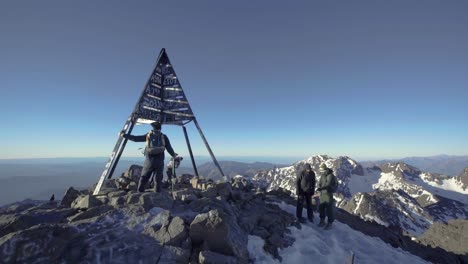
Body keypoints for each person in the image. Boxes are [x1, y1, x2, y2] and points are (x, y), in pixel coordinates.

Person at [122, 121, 177, 192]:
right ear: (160, 128)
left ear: (153, 128)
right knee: (157, 179)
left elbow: (136, 139)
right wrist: (174, 155)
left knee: (144, 177)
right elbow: (169, 148)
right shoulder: (164, 136)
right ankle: (157, 194)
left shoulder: (148, 135)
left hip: (149, 161)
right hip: (160, 161)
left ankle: (140, 192)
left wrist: (124, 135)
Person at [316, 163, 336, 230]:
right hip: (322, 194)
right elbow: (319, 183)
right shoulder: (323, 175)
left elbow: (328, 185)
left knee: (329, 209)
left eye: (322, 170)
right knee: (321, 207)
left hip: (328, 194)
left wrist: (321, 188)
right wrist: (319, 188)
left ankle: (330, 223)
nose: (321, 171)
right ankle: (322, 221)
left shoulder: (330, 176)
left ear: (325, 169)